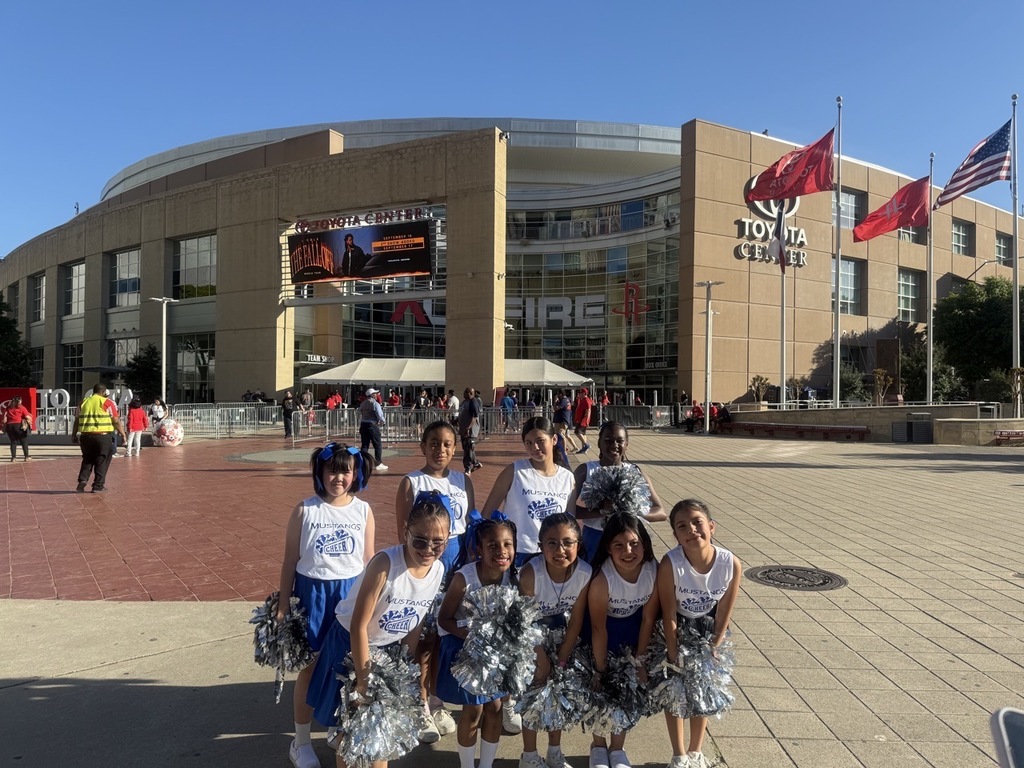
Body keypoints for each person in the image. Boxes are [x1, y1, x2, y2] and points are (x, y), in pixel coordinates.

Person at [305, 493, 449, 768]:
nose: (428, 548)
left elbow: (415, 620)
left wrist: (403, 665)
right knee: (351, 731)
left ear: (447, 538)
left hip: (389, 653)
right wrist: (363, 679)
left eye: (438, 542)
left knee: (380, 731)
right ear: (405, 531)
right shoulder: (385, 564)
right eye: (419, 540)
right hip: (351, 648)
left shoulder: (438, 570)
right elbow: (358, 625)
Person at [277, 443, 376, 768]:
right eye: (332, 470)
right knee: (309, 666)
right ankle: (301, 741)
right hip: (312, 596)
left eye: (345, 470)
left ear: (355, 473)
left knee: (345, 669)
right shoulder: (305, 510)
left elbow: (368, 562)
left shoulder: (363, 510)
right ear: (319, 473)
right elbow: (291, 560)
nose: (338, 477)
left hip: (349, 597)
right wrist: (283, 604)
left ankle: (337, 728)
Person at [639, 499, 742, 768]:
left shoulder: (730, 563)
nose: (692, 530)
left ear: (711, 526)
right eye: (682, 526)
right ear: (676, 536)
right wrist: (673, 654)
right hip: (676, 630)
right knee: (676, 691)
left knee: (702, 690)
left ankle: (696, 752)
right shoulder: (670, 564)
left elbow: (723, 612)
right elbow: (669, 612)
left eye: (697, 522)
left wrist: (714, 647)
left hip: (708, 631)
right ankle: (679, 754)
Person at [395, 420, 475, 741]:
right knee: (424, 639)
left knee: (446, 635)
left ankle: (437, 697)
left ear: (455, 448)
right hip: (426, 566)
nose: (440, 450)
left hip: (457, 567)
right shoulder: (410, 482)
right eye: (433, 443)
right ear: (423, 446)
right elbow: (403, 534)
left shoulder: (463, 480)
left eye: (446, 444)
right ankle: (420, 703)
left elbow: (469, 526)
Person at [437, 512, 518, 768]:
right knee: (473, 710)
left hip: (497, 652)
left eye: (508, 544)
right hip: (466, 650)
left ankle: (486, 764)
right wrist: (473, 633)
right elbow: (444, 619)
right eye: (492, 546)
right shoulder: (464, 578)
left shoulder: (514, 576)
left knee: (495, 708)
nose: (501, 551)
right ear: (478, 549)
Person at [517, 514, 591, 768]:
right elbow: (524, 621)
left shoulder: (584, 572)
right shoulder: (530, 574)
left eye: (568, 543)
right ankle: (528, 755)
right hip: (531, 636)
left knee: (558, 692)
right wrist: (541, 659)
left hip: (562, 634)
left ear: (578, 545)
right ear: (540, 547)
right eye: (552, 543)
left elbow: (577, 619)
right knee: (533, 694)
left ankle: (555, 752)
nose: (561, 550)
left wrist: (561, 658)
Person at [586, 513, 660, 768]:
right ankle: (597, 745)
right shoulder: (601, 579)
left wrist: (639, 661)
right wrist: (600, 667)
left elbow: (649, 618)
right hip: (601, 633)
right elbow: (597, 626)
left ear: (645, 544)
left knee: (627, 688)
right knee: (600, 689)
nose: (628, 551)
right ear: (608, 547)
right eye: (618, 545)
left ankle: (618, 748)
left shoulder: (653, 570)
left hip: (634, 631)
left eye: (634, 543)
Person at [574, 421, 666, 562]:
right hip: (595, 538)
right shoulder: (585, 470)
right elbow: (571, 511)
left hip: (629, 541)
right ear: (599, 443)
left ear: (627, 444)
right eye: (608, 440)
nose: (614, 445)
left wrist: (633, 511)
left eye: (620, 441)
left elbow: (661, 512)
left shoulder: (636, 471)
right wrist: (601, 511)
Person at [72, 383, 128, 493]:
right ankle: (98, 485)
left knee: (87, 458)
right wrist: (123, 434)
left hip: (85, 436)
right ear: (103, 392)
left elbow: (77, 421)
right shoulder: (107, 402)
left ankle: (83, 480)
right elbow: (116, 421)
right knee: (102, 459)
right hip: (102, 436)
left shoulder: (83, 403)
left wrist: (73, 435)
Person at [358, 388, 388, 471]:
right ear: (372, 395)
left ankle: (363, 462)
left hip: (363, 425)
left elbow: (361, 414)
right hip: (372, 425)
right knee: (377, 444)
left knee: (364, 445)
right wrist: (383, 422)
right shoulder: (375, 404)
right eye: (375, 393)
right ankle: (378, 463)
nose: (376, 395)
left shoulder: (363, 404)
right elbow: (380, 415)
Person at [458, 387, 482, 474]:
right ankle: (476, 463)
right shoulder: (464, 402)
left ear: (470, 393)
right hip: (463, 429)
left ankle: (467, 468)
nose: (463, 394)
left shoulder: (473, 402)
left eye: (465, 392)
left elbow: (474, 416)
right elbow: (462, 413)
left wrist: (468, 427)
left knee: (469, 448)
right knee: (466, 449)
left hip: (470, 430)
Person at [3, 395, 33, 462]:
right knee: (24, 442)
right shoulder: (21, 408)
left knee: (13, 442)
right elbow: (27, 417)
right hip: (18, 425)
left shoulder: (8, 408)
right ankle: (26, 457)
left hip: (9, 426)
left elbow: (4, 417)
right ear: (19, 401)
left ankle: (13, 458)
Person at [572, 388, 594, 453]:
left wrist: (586, 420)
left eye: (581, 393)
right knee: (583, 434)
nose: (579, 394)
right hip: (582, 419)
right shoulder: (583, 400)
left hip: (582, 420)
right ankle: (584, 448)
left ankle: (586, 445)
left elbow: (588, 410)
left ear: (584, 393)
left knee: (577, 432)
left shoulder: (586, 400)